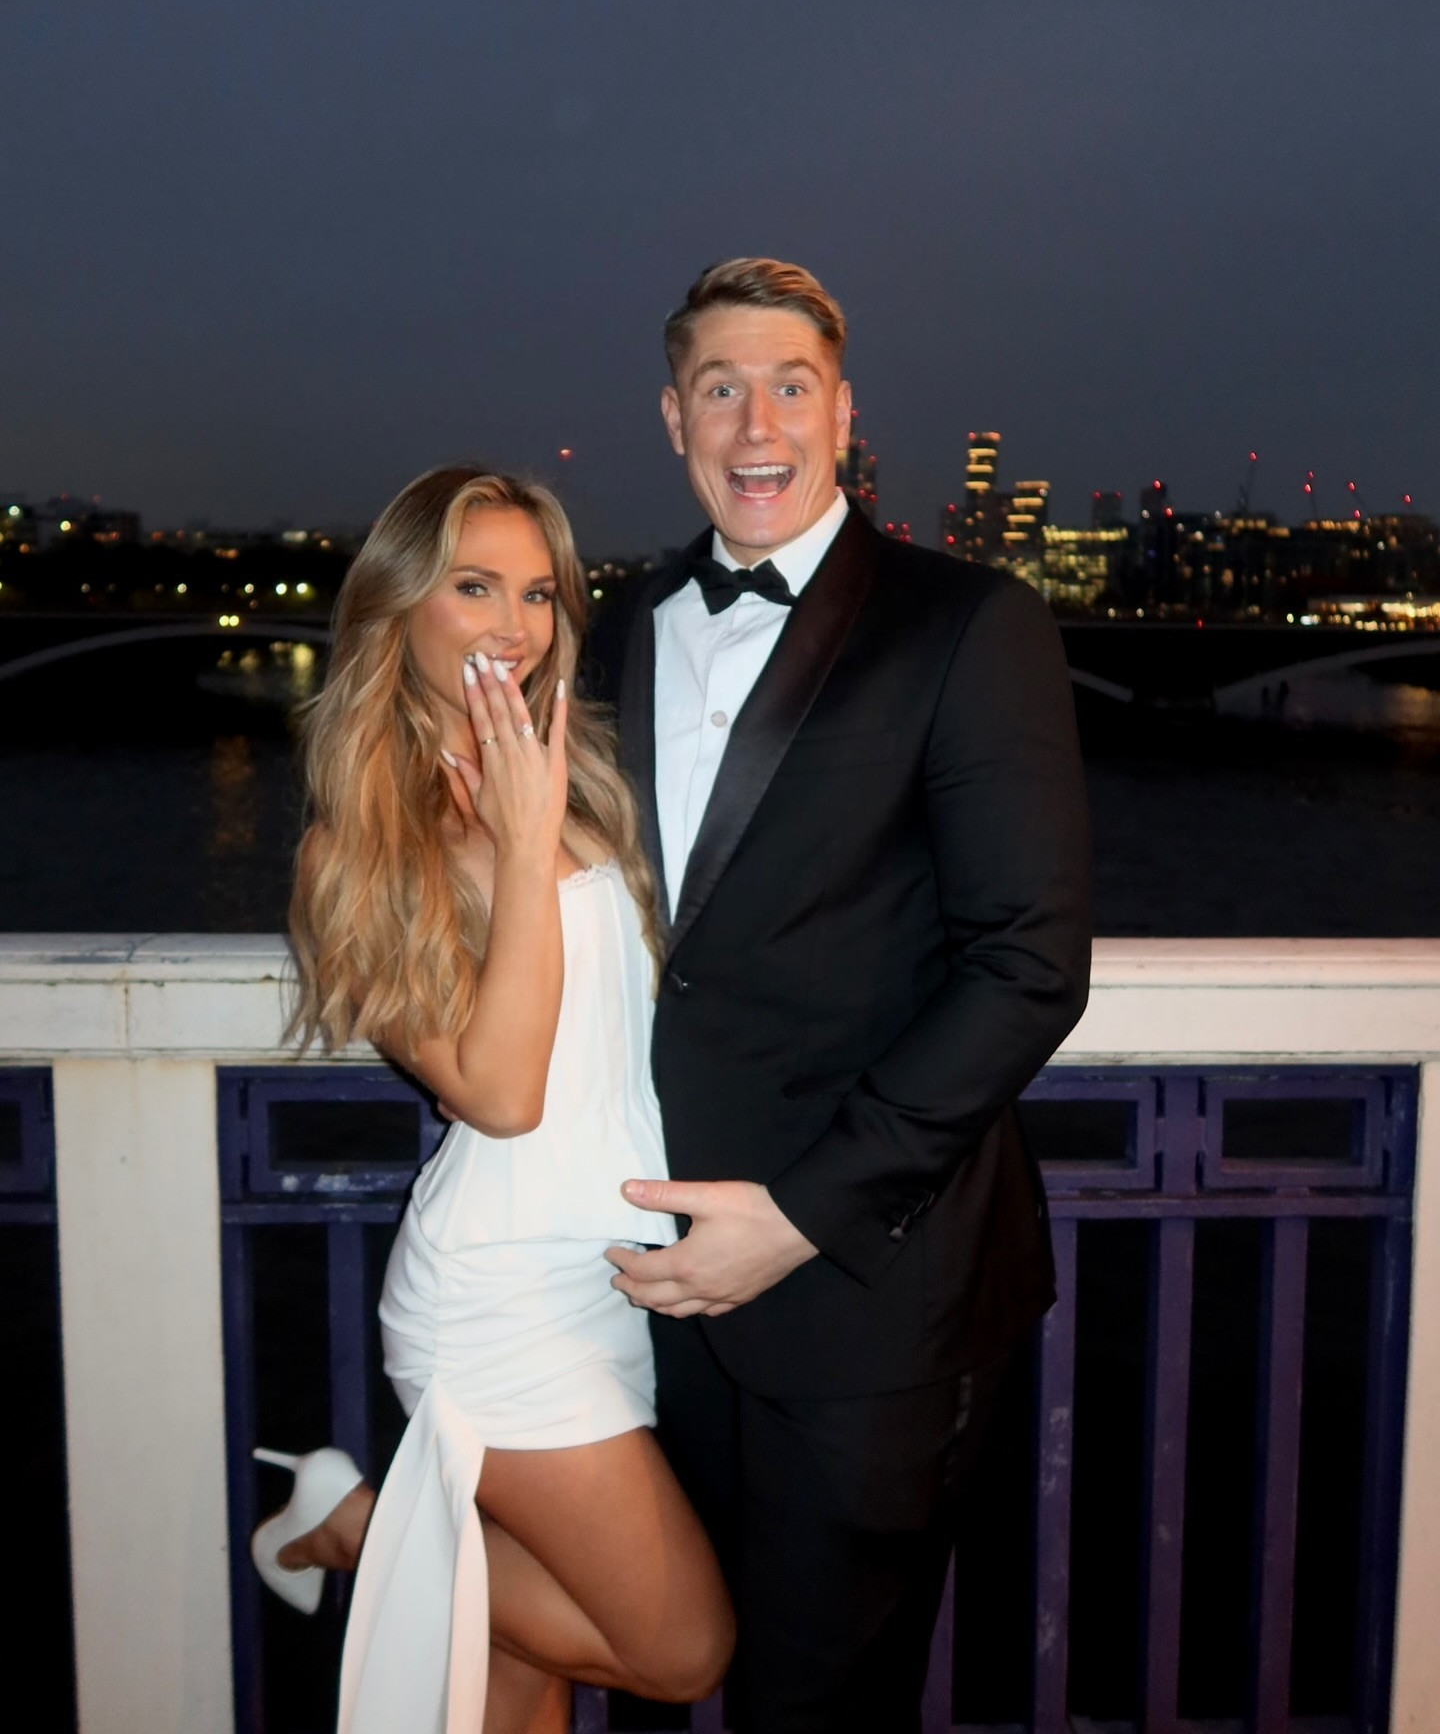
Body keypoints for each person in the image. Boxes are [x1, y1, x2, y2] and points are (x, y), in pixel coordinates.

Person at [594, 258, 1092, 1732]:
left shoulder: (967, 623)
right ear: (672, 415)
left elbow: (1028, 965)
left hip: (873, 1300)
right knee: (675, 1669)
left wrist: (800, 1217)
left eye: (791, 385)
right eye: (723, 386)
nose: (758, 420)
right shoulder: (624, 623)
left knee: (822, 1708)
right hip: (657, 1292)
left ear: (844, 414)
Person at [250, 465, 733, 1734]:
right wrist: (520, 849)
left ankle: (363, 1529)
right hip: (502, 1297)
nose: (515, 624)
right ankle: (353, 1526)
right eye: (474, 587)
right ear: (402, 606)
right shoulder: (360, 835)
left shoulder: (579, 780)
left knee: (522, 1693)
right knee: (680, 1647)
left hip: (615, 1277)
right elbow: (503, 1094)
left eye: (537, 591)